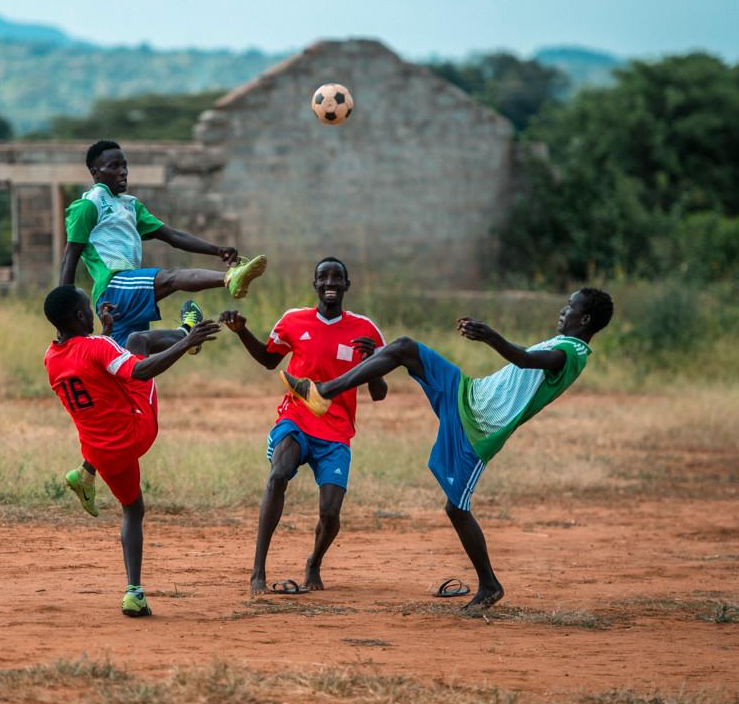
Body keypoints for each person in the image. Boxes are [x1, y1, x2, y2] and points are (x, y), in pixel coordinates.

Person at [280, 288, 615, 611]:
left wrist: (490, 336)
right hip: (467, 393)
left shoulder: (572, 354)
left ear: (584, 319)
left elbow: (525, 360)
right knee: (403, 347)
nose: (563, 309)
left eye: (570, 305)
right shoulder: (565, 344)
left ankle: (489, 585)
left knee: (456, 509)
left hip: (478, 426)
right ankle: (324, 391)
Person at [59, 139, 265, 510]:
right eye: (113, 166)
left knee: (127, 375)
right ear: (95, 171)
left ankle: (86, 473)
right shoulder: (89, 205)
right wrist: (62, 313)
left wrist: (215, 249)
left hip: (125, 296)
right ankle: (228, 281)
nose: (122, 171)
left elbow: (171, 235)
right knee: (169, 278)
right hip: (114, 285)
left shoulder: (130, 206)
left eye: (125, 165)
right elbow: (70, 256)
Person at [43, 284, 221, 617]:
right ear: (82, 316)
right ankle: (186, 328)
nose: (97, 313)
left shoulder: (51, 358)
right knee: (138, 341)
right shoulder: (97, 346)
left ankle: (134, 593)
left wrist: (107, 334)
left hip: (101, 452)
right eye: (90, 308)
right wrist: (186, 342)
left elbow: (91, 366)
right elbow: (140, 370)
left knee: (133, 509)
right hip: (136, 431)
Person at [219, 257, 386, 596]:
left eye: (337, 277)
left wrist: (373, 364)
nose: (330, 282)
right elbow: (269, 360)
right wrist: (241, 332)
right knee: (278, 473)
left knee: (330, 513)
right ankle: (258, 571)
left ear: (346, 285)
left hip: (337, 432)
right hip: (295, 417)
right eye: (323, 276)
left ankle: (314, 562)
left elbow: (379, 394)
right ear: (314, 284)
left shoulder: (366, 330)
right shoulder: (293, 321)